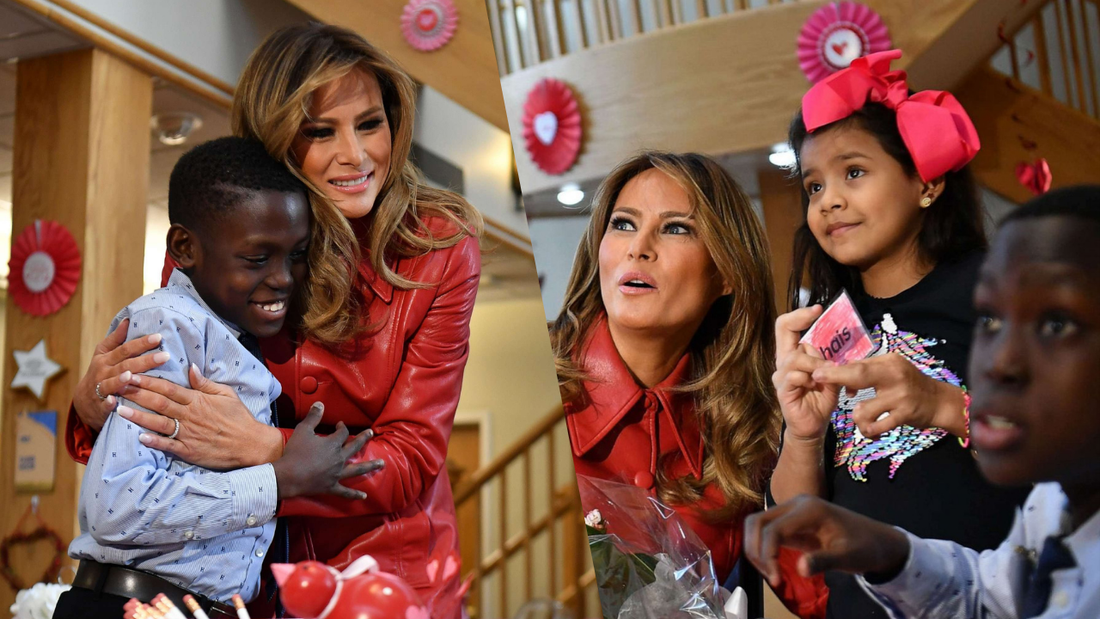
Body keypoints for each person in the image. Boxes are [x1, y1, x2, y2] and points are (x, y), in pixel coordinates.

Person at [63, 23, 482, 619]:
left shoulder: (439, 247)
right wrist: (92, 405)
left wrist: (265, 446)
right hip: (239, 577)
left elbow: (412, 457)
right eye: (321, 132)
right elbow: (160, 426)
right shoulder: (215, 235)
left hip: (382, 573)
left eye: (370, 123)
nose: (357, 155)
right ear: (278, 138)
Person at [53, 137, 376, 619]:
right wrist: (278, 480)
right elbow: (117, 507)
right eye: (256, 258)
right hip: (132, 604)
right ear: (184, 247)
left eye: (296, 255)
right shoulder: (168, 324)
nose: (284, 277)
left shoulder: (234, 332)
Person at [746, 186, 1100, 618]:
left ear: (924, 184)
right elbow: (989, 598)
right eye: (991, 319)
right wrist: (888, 551)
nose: (1000, 361)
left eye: (1056, 323)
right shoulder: (1049, 506)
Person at [768, 49, 1031, 618]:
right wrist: (805, 433)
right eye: (812, 187)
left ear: (926, 183)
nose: (829, 200)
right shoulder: (824, 326)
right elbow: (798, 519)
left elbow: (1065, 447)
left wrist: (942, 404)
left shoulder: (997, 292)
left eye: (853, 172)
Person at [551, 151, 826, 618]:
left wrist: (803, 439)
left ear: (726, 272)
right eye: (622, 224)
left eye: (676, 227)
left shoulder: (747, 432)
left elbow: (817, 598)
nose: (639, 247)